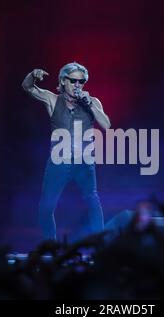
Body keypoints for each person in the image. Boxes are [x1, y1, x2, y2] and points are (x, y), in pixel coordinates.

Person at [22, 62, 111, 240]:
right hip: (59, 162)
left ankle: (101, 247)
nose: (78, 85)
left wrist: (89, 104)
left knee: (93, 202)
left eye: (82, 81)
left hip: (84, 163)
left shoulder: (92, 102)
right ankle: (52, 246)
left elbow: (107, 126)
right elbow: (27, 87)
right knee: (46, 208)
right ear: (63, 81)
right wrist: (33, 75)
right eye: (73, 81)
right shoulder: (52, 99)